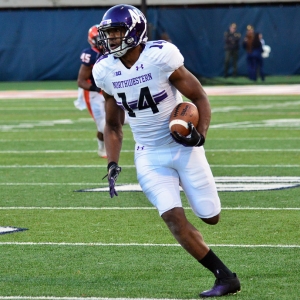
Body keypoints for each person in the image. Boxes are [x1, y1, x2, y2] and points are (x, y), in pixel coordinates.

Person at [93, 4, 241, 298]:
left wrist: (200, 137)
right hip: (148, 155)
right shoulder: (105, 70)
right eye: (108, 33)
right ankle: (225, 277)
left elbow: (198, 96)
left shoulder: (160, 57)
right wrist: (112, 162)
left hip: (183, 148)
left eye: (116, 32)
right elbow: (112, 125)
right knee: (173, 217)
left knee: (210, 217)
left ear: (134, 32)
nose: (110, 39)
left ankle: (189, 185)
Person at [74, 25, 107, 158]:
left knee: (123, 119)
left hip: (111, 90)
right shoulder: (91, 54)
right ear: (92, 40)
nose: (103, 41)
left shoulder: (114, 51)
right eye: (99, 38)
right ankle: (102, 147)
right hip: (93, 93)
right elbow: (81, 81)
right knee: (103, 126)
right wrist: (98, 89)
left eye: (104, 37)